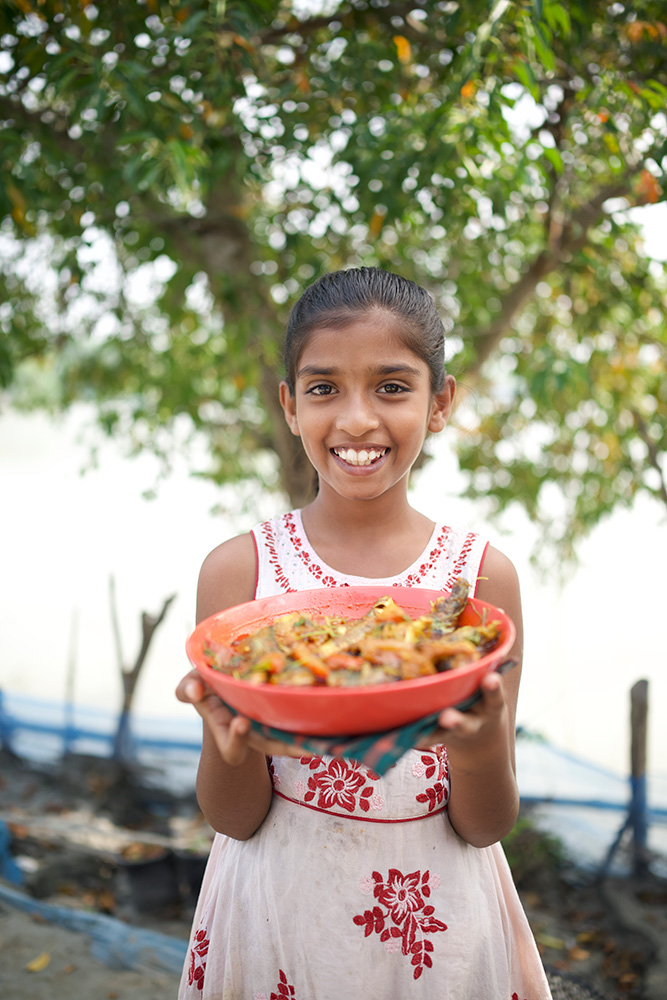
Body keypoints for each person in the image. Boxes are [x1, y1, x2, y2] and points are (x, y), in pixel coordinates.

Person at [176, 267, 552, 999]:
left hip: (433, 928)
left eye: (391, 386)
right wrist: (230, 744)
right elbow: (234, 816)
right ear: (289, 406)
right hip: (280, 913)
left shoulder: (478, 586)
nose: (354, 421)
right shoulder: (239, 576)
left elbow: (484, 824)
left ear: (439, 402)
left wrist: (476, 747)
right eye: (323, 388)